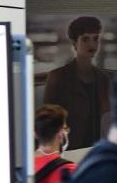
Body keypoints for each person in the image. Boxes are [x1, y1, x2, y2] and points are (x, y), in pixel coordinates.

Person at [43, 16, 113, 150]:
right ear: (74, 43)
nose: (92, 44)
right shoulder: (57, 77)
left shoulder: (103, 78)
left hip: (97, 148)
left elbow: (107, 117)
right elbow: (49, 121)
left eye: (95, 38)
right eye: (85, 39)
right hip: (69, 149)